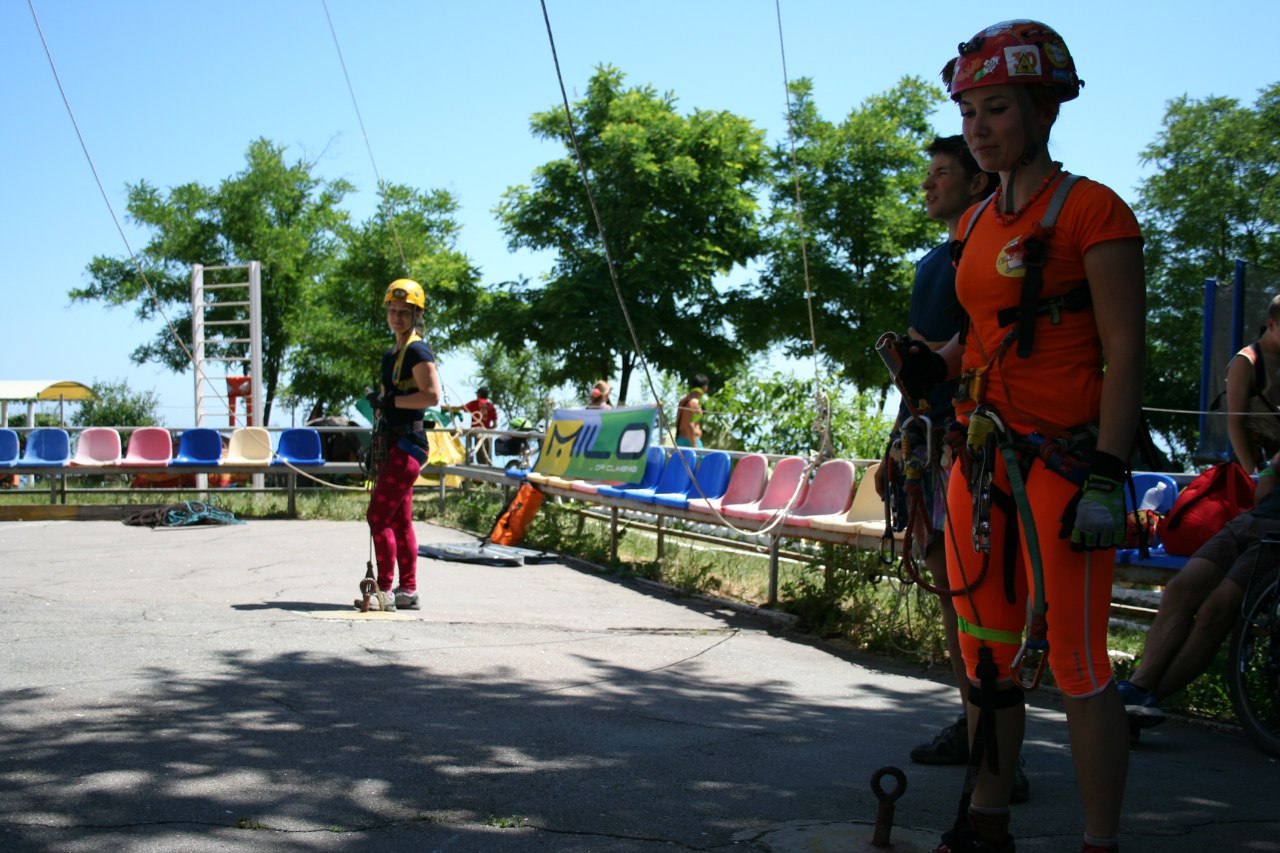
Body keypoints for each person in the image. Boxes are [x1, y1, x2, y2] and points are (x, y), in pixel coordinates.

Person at [897, 20, 1146, 853]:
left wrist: (1110, 473)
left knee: (1077, 662)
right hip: (980, 455)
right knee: (985, 657)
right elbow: (982, 337)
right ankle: (987, 819)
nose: (978, 127)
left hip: (1070, 462)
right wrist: (933, 368)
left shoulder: (1093, 211)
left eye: (995, 108)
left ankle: (1099, 842)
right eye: (969, 112)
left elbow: (1124, 351)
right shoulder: (972, 227)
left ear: (1043, 107)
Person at [873, 136, 1020, 796]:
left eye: (941, 174)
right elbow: (919, 374)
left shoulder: (991, 259)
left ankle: (1001, 753)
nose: (928, 185)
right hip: (930, 447)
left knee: (987, 599)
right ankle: (972, 724)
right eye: (926, 174)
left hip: (983, 445)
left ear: (979, 181)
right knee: (952, 594)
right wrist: (895, 445)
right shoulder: (933, 263)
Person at [1119, 451, 1280, 725]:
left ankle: (1143, 700)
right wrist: (1268, 477)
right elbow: (1274, 465)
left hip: (1276, 539)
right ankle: (1137, 690)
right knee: (1180, 590)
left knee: (1216, 609)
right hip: (1250, 520)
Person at [361, 278, 442, 612]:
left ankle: (386, 590)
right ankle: (407, 590)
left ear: (416, 315)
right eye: (393, 311)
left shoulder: (417, 350)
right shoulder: (393, 352)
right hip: (396, 443)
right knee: (399, 521)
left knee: (378, 516)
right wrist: (381, 400)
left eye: (404, 313)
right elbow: (393, 397)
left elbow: (432, 396)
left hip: (409, 443)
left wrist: (392, 403)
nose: (397, 317)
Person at [1226, 295, 1280, 474]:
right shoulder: (1246, 361)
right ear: (1271, 324)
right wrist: (1252, 475)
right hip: (1258, 460)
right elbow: (1235, 422)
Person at [448, 387, 499, 465]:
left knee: (477, 454)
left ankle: (470, 464)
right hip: (487, 434)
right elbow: (495, 425)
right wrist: (488, 429)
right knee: (487, 457)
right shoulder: (491, 406)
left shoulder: (475, 403)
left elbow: (461, 408)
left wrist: (446, 408)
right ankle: (486, 472)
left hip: (477, 433)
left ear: (479, 394)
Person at [676, 374, 709, 447]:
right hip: (691, 441)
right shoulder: (692, 403)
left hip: (681, 439)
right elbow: (690, 425)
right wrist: (694, 445)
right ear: (704, 387)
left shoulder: (683, 401)